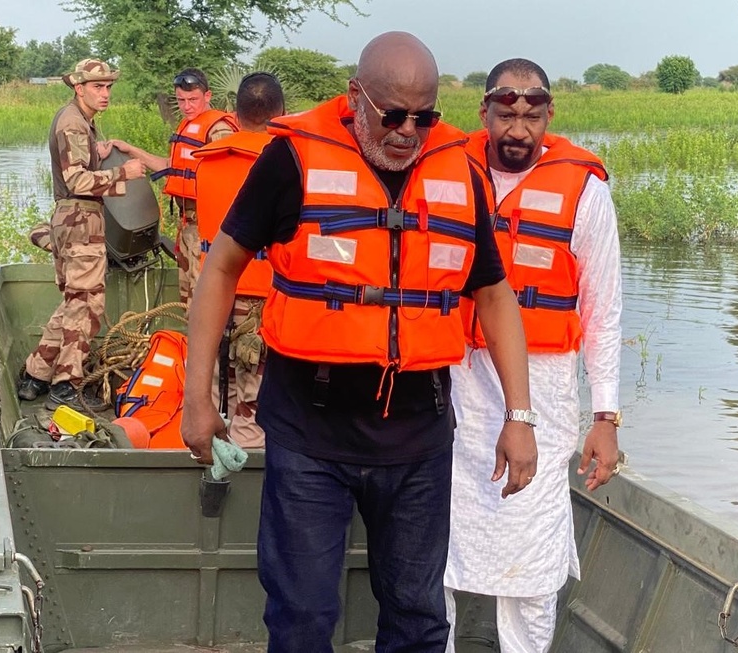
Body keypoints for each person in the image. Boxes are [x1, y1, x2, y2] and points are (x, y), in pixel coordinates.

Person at [182, 32, 537, 653]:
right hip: (310, 434)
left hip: (418, 438)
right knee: (302, 618)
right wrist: (196, 397)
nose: (408, 132)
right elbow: (221, 269)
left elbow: (494, 294)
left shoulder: (459, 169)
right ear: (355, 96)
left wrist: (520, 415)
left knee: (419, 619)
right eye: (393, 115)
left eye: (424, 117)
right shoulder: (292, 159)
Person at [444, 58, 623, 653]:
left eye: (532, 116)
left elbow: (604, 311)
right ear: (484, 113)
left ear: (549, 116)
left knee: (533, 554)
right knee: (435, 543)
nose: (518, 130)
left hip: (544, 393)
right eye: (505, 114)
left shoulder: (585, 192)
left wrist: (605, 417)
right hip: (453, 382)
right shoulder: (448, 173)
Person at [17, 58, 146, 411]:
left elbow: (78, 170)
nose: (105, 94)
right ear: (79, 88)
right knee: (87, 306)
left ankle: (35, 375)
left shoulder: (78, 120)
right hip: (80, 220)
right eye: (97, 87)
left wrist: (96, 155)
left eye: (108, 87)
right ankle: (67, 385)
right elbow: (76, 181)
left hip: (73, 219)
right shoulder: (73, 124)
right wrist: (123, 173)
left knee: (75, 301)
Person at [191, 72, 286, 449]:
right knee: (253, 403)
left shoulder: (206, 161)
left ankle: (215, 462)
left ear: (234, 113)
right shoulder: (283, 164)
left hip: (212, 298)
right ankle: (247, 466)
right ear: (281, 114)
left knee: (219, 392)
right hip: (261, 300)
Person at [112, 68, 238, 307]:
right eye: (181, 100)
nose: (187, 106)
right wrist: (130, 149)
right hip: (188, 226)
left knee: (205, 301)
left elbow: (230, 179)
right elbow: (171, 167)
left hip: (207, 229)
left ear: (207, 96)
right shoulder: (188, 125)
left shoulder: (219, 129)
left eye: (193, 99)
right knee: (189, 299)